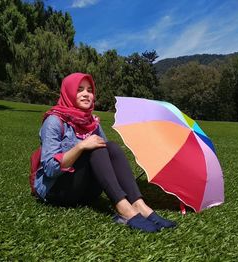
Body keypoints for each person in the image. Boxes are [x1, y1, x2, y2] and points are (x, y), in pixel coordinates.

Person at [33, 72, 176, 232]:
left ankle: (139, 204)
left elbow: (107, 156)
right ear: (69, 92)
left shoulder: (92, 122)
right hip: (58, 192)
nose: (87, 94)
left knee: (111, 146)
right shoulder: (54, 121)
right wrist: (81, 146)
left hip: (85, 193)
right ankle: (124, 210)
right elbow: (51, 169)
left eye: (90, 90)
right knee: (95, 149)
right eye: (80, 90)